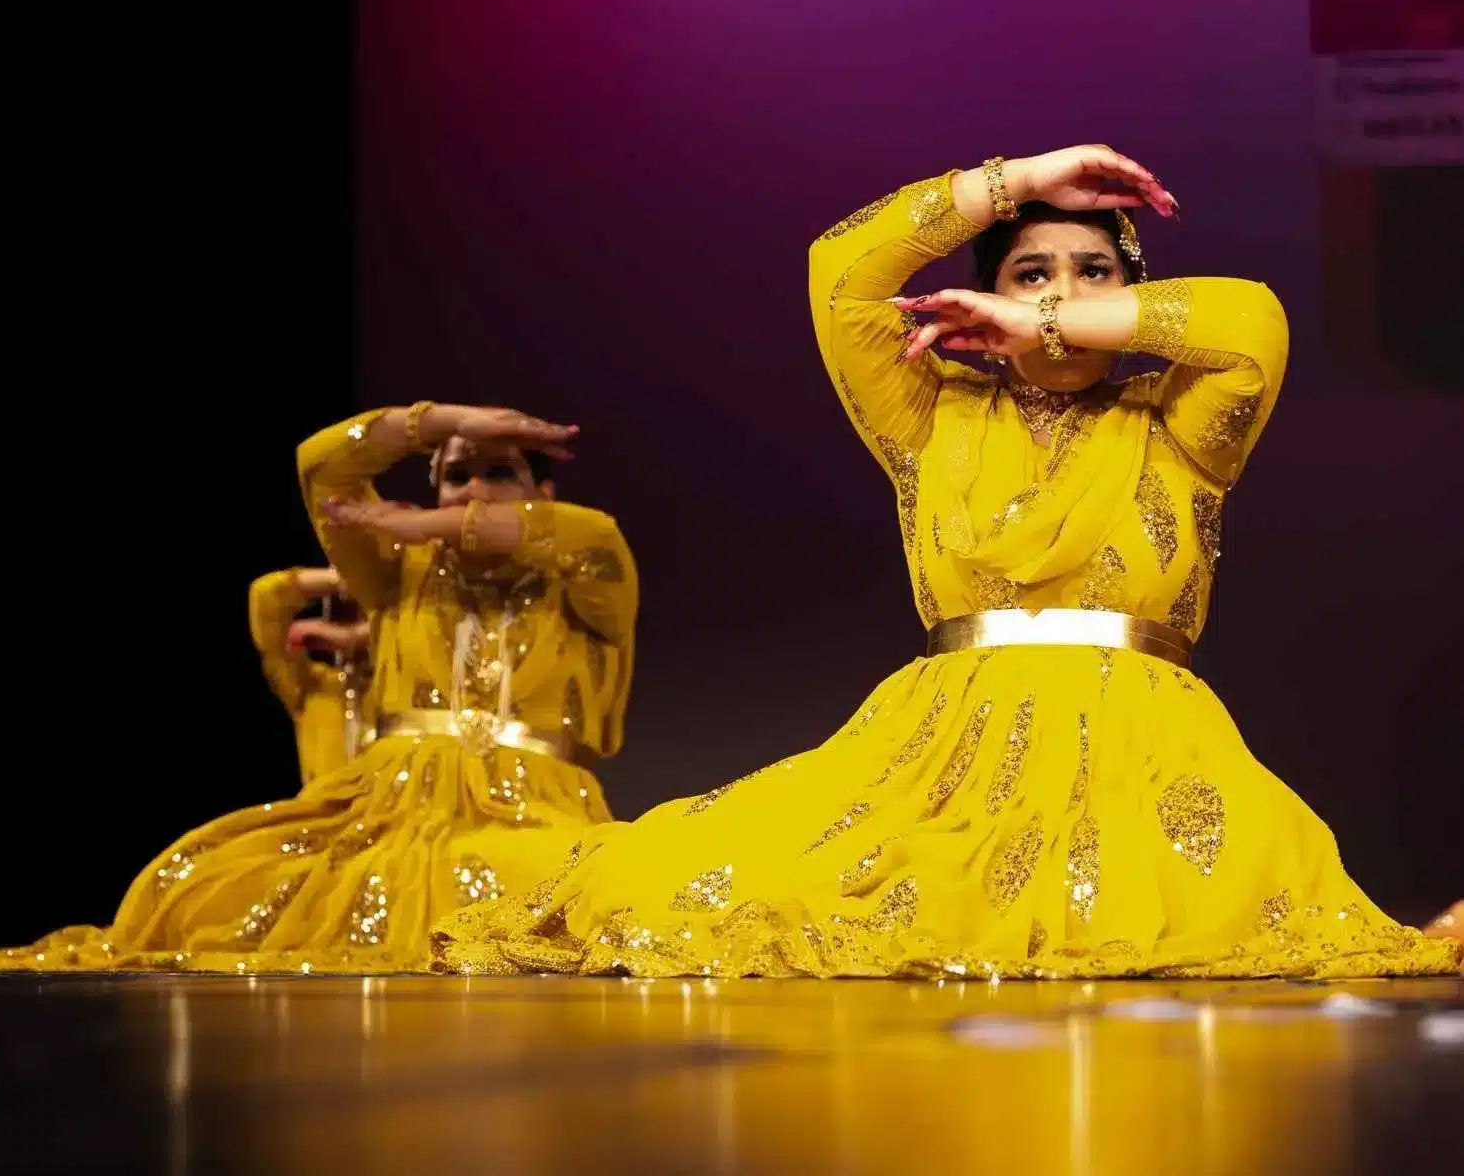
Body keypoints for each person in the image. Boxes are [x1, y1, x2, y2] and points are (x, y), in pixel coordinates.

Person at [433, 145, 1462, 979]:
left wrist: (1037, 316)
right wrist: (1016, 182)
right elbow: (840, 274)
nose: (1059, 293)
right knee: (779, 892)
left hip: (1149, 759)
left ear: (1126, 296)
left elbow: (1253, 324)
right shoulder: (931, 417)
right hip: (942, 749)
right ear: (982, 298)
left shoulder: (1181, 427)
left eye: (1092, 272)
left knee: (1184, 923)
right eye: (1030, 272)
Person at [0, 400, 636, 974]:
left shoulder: (586, 577)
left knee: (539, 886)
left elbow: (586, 533)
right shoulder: (398, 574)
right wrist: (440, 421)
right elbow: (322, 467)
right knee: (202, 881)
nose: (474, 491)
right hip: (384, 807)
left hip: (535, 809)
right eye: (457, 476)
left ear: (542, 492)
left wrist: (415, 521)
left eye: (499, 474)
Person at [249, 566, 371, 786]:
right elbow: (264, 597)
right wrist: (344, 576)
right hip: (326, 816)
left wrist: (356, 636)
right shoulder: (312, 687)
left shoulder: (405, 689)